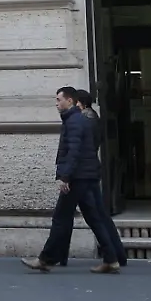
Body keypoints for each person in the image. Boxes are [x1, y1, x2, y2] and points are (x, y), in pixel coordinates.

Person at [22, 87, 126, 274]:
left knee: (61, 218)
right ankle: (111, 259)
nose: (56, 103)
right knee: (94, 217)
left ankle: (45, 259)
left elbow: (73, 151)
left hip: (78, 177)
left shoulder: (75, 122)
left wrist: (65, 177)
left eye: (58, 99)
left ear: (69, 101)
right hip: (86, 175)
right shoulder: (79, 120)